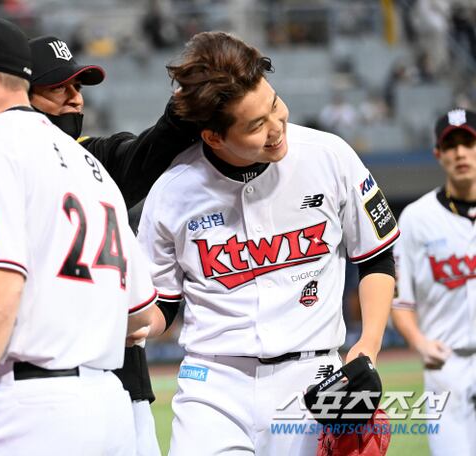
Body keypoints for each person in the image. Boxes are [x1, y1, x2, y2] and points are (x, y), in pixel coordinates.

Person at [0, 33, 197, 456]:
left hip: (28, 400)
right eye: (58, 87)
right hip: (108, 403)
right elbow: (141, 313)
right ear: (24, 92)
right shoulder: (94, 173)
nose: (76, 99)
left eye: (77, 87)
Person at [135, 31, 398, 455]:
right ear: (213, 137)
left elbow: (376, 257)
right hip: (212, 386)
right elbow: (162, 306)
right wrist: (124, 321)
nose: (276, 128)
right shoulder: (172, 191)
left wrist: (367, 346)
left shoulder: (329, 156)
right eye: (256, 125)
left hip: (313, 378)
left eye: (274, 105)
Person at [391, 108, 476, 456]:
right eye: (451, 145)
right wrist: (419, 342)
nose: (460, 153)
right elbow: (401, 302)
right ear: (438, 154)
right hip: (446, 367)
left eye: (468, 143)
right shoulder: (416, 219)